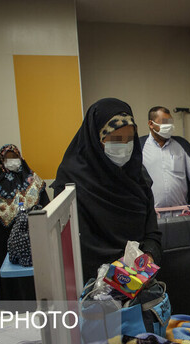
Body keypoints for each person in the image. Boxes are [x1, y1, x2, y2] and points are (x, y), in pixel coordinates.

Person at [51, 98, 162, 280]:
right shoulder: (72, 180)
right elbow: (77, 243)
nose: (124, 146)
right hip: (93, 281)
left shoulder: (138, 176)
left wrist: (148, 256)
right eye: (116, 139)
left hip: (139, 277)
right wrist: (115, 273)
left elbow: (152, 232)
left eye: (129, 139)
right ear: (96, 139)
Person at [0, 144, 50, 302]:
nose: (12, 161)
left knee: (30, 266)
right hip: (5, 232)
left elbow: (45, 202)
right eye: (8, 158)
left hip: (29, 230)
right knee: (9, 265)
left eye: (15, 157)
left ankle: (34, 299)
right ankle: (13, 303)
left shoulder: (32, 178)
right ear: (2, 160)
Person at [140, 106, 190, 210]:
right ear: (151, 124)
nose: (169, 126)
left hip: (181, 211)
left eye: (170, 122)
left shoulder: (181, 145)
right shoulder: (140, 147)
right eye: (164, 122)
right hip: (153, 212)